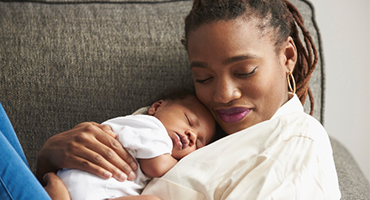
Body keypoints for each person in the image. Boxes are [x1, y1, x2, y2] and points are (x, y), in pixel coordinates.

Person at [35, 0, 341, 199]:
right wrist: (51, 156)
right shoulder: (184, 117)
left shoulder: (296, 142)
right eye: (203, 78)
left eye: (245, 71)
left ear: (287, 56)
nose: (222, 95)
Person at [56, 92, 216, 200]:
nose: (192, 135)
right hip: (91, 189)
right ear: (157, 107)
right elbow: (156, 167)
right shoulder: (150, 125)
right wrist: (186, 164)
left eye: (199, 142)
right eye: (188, 120)